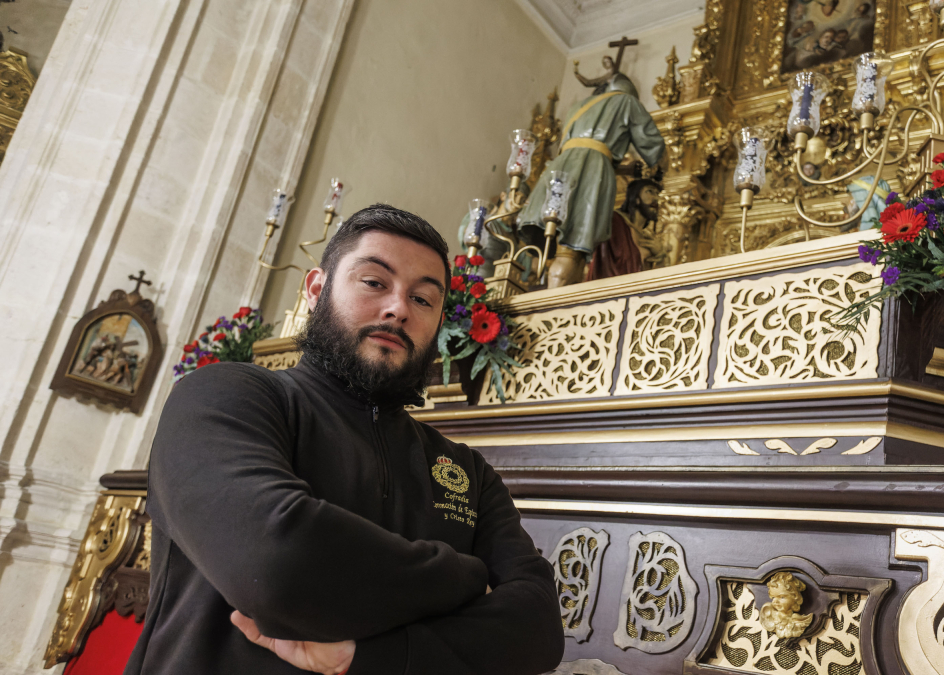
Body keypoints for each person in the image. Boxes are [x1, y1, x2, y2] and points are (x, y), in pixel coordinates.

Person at [124, 204, 563, 675]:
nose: (398, 308)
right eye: (375, 282)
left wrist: (370, 659)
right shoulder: (225, 396)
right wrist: (468, 577)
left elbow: (538, 630)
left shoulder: (467, 472)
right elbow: (276, 565)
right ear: (316, 289)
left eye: (423, 299)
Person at [516, 69, 664, 289]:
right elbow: (653, 146)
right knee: (571, 249)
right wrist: (661, 168)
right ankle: (556, 309)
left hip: (559, 169)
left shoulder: (578, 108)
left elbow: (583, 146)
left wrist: (622, 168)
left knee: (565, 249)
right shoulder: (626, 101)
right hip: (593, 171)